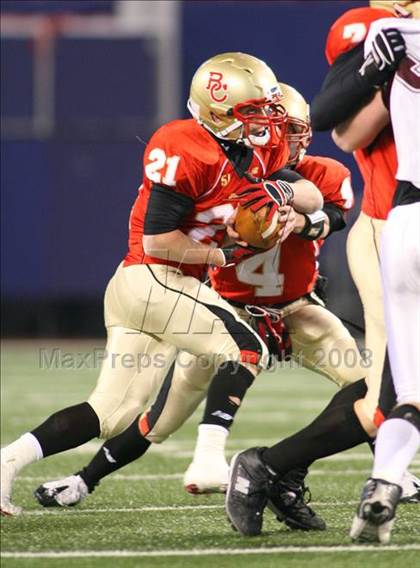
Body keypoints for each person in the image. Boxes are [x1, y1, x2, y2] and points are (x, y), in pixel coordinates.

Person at [0, 52, 323, 517]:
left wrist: (283, 193)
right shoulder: (182, 145)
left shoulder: (259, 151)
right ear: (217, 112)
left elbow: (309, 192)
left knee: (113, 416)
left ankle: (8, 461)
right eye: (253, 112)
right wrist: (223, 254)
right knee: (246, 348)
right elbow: (159, 240)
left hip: (156, 291)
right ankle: (210, 459)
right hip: (152, 278)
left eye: (268, 109)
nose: (267, 122)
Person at [225, 7, 420, 538]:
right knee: (390, 395)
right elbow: (348, 130)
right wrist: (394, 76)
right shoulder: (377, 29)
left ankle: (280, 466)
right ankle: (269, 465)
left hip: (400, 226)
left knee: (391, 392)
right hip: (392, 225)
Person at [349, 15, 420, 544]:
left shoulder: (390, 36)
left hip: (406, 219)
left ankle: (386, 480)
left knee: (410, 393)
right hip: (391, 219)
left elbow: (338, 120)